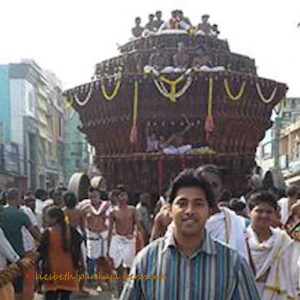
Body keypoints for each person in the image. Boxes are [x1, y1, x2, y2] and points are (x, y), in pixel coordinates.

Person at [120, 169, 260, 299]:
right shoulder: (146, 261)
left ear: (209, 211)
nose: (189, 211)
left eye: (198, 204)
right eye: (182, 203)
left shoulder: (232, 264)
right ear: (169, 209)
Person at [246, 191, 299, 299]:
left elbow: (293, 272)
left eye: (269, 212)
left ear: (275, 214)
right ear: (249, 212)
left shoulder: (284, 241)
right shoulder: (240, 239)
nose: (264, 215)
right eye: (259, 211)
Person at [0, 188, 41, 300]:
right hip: (18, 257)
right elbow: (36, 234)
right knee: (19, 286)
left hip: (4, 260)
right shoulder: (21, 214)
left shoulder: (2, 213)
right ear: (18, 198)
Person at [38, 206, 83, 300]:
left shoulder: (47, 232)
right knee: (65, 296)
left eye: (47, 217)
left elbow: (41, 252)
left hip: (51, 269)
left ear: (54, 218)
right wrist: (80, 263)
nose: (46, 219)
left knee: (51, 296)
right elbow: (78, 248)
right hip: (67, 268)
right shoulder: (71, 230)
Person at [107, 187, 145, 295]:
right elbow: (110, 230)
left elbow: (138, 226)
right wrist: (108, 247)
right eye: (121, 196)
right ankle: (120, 295)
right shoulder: (113, 212)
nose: (123, 198)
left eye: (125, 195)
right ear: (116, 197)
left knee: (130, 269)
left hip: (129, 241)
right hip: (118, 241)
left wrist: (141, 242)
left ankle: (131, 294)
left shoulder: (132, 210)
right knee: (119, 270)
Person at [79, 187, 112, 291]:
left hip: (105, 236)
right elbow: (81, 222)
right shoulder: (85, 208)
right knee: (96, 261)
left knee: (106, 260)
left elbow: (111, 222)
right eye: (91, 197)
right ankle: (100, 283)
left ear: (99, 196)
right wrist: (86, 232)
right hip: (92, 237)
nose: (93, 199)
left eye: (95, 196)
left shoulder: (106, 207)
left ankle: (108, 281)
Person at [62, 192, 88, 296]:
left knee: (70, 263)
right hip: (76, 237)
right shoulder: (79, 211)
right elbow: (82, 227)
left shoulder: (63, 211)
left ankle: (71, 286)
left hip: (68, 237)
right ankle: (80, 287)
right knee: (81, 263)